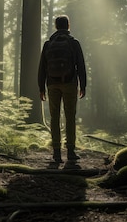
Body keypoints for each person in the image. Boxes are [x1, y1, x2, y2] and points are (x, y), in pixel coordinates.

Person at [38, 15, 86, 163]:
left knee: (54, 117)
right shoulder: (73, 43)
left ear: (56, 26)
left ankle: (57, 153)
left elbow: (42, 68)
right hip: (70, 83)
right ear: (68, 26)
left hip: (52, 84)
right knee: (70, 116)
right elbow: (81, 65)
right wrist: (83, 85)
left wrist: (41, 88)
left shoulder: (48, 44)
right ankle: (70, 151)